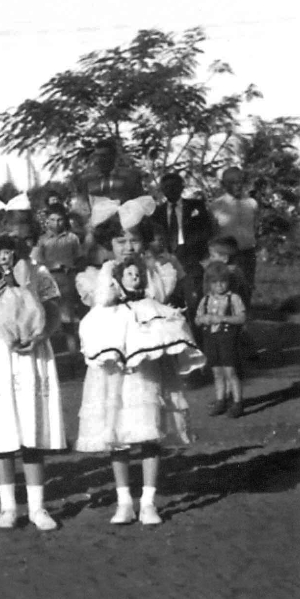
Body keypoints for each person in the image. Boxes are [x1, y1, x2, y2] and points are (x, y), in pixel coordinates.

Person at [74, 197, 206, 526]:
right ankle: (123, 500)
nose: (128, 247)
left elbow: (158, 298)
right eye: (121, 241)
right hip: (113, 364)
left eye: (134, 240)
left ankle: (148, 501)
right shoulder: (94, 275)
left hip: (146, 362)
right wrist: (109, 271)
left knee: (149, 428)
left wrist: (144, 271)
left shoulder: (156, 270)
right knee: (115, 430)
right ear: (109, 243)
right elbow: (102, 301)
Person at [0, 207, 66, 531]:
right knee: (4, 431)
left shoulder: (39, 273)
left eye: (24, 240)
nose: (15, 247)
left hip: (32, 352)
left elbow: (53, 314)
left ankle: (37, 507)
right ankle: (8, 507)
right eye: (10, 239)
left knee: (32, 427)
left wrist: (39, 335)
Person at [196, 261, 247, 418]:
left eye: (223, 281)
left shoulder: (234, 298)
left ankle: (238, 402)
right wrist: (204, 319)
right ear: (209, 283)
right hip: (211, 338)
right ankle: (221, 400)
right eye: (215, 282)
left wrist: (223, 318)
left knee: (230, 370)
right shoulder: (205, 300)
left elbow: (242, 318)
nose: (219, 286)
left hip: (227, 337)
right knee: (216, 370)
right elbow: (197, 319)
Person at [33, 202, 84, 355]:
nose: (56, 223)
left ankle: (73, 357)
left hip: (67, 283)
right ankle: (49, 356)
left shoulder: (72, 238)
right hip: (48, 283)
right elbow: (36, 262)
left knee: (69, 321)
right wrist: (54, 264)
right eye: (53, 220)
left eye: (60, 220)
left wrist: (73, 267)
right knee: (48, 321)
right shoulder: (41, 240)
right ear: (47, 221)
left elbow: (79, 258)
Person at [209, 167, 258, 302]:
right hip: (227, 256)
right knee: (225, 290)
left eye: (240, 182)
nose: (237, 185)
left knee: (246, 289)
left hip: (248, 254)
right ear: (223, 184)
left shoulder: (251, 203)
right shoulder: (216, 206)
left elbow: (255, 227)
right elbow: (213, 233)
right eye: (232, 182)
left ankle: (244, 320)